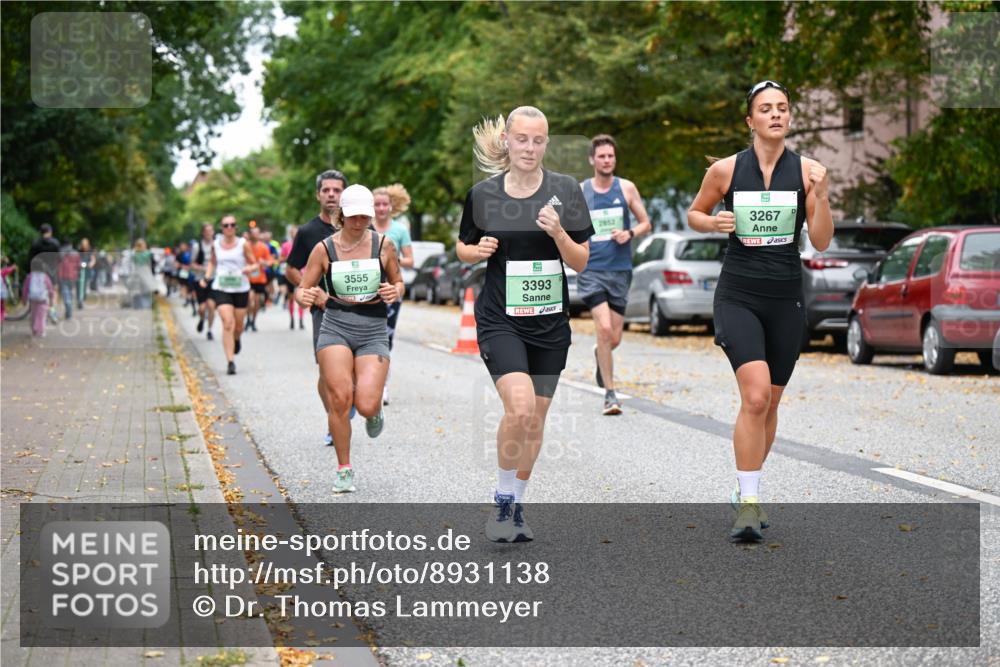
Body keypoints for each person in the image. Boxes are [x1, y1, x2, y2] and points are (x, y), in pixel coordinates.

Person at [687, 80, 833, 541]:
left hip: (786, 297)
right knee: (753, 397)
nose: (776, 115)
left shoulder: (807, 172)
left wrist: (823, 195)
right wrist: (713, 221)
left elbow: (823, 240)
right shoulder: (727, 170)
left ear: (789, 118)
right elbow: (695, 213)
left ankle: (746, 488)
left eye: (783, 108)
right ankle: (748, 504)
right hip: (739, 295)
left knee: (769, 402)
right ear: (750, 120)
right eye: (766, 109)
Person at [456, 106, 593, 542]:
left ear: (546, 144)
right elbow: (462, 247)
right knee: (520, 408)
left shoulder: (565, 190)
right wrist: (476, 253)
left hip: (550, 323)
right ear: (507, 143)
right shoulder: (483, 195)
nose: (529, 148)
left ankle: (517, 503)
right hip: (501, 319)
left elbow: (581, 262)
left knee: (535, 420)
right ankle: (500, 500)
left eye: (538, 140)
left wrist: (559, 234)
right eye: (522, 139)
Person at [295, 184, 405, 494]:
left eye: (365, 217)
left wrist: (394, 291)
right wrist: (309, 296)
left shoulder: (383, 245)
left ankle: (374, 413)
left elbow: (399, 283)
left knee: (367, 404)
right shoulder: (324, 249)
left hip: (372, 328)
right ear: (341, 215)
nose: (359, 223)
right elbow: (302, 289)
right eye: (354, 217)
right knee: (340, 399)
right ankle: (344, 468)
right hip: (335, 326)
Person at [578, 134, 652, 415]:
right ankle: (610, 395)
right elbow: (570, 225)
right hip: (592, 269)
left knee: (614, 338)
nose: (607, 160)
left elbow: (646, 222)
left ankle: (601, 353)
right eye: (602, 156)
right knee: (605, 329)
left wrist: (629, 233)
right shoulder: (582, 190)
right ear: (592, 160)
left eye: (611, 156)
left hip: (620, 270)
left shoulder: (627, 188)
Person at [286, 170, 349, 446]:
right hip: (323, 312)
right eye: (326, 190)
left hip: (359, 310)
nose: (332, 195)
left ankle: (354, 405)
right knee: (326, 371)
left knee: (354, 370)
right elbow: (290, 269)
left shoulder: (358, 225)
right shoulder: (308, 232)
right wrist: (311, 289)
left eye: (337, 190)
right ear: (318, 195)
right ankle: (334, 419)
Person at [372, 184, 415, 405]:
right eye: (377, 204)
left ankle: (382, 385)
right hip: (367, 291)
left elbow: (410, 260)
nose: (381, 208)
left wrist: (390, 261)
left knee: (385, 339)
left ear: (391, 206)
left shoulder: (399, 230)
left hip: (391, 292)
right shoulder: (364, 226)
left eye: (384, 204)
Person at [199, 215, 258, 375]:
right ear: (222, 228)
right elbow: (212, 262)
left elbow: (254, 263)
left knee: (238, 326)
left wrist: (249, 269)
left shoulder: (243, 244)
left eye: (232, 225)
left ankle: (237, 338)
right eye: (226, 225)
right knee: (227, 323)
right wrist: (206, 277)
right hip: (222, 287)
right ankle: (230, 361)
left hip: (241, 287)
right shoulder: (216, 244)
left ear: (236, 227)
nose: (229, 227)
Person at [192, 223, 218, 340]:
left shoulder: (218, 245)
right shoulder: (197, 246)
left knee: (211, 306)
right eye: (206, 231)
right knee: (202, 308)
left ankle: (210, 330)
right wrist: (203, 268)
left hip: (214, 279)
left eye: (210, 231)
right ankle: (202, 319)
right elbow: (192, 264)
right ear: (203, 233)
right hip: (200, 279)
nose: (209, 233)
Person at [246, 227, 273, 332]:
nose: (255, 235)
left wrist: (264, 263)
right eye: (253, 233)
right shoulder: (246, 246)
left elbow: (270, 261)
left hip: (260, 278)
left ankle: (253, 321)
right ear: (250, 234)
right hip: (248, 278)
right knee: (250, 299)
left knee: (257, 302)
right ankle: (248, 318)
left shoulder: (263, 247)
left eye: (257, 233)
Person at [280, 228, 305, 330]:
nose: (294, 235)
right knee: (291, 298)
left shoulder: (303, 245)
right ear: (290, 235)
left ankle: (301, 320)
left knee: (301, 297)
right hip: (290, 274)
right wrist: (289, 258)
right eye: (293, 234)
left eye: (296, 234)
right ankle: (292, 319)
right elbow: (281, 259)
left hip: (301, 274)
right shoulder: (286, 245)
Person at [24, 265, 55, 336]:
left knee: (33, 314)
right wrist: (51, 298)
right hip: (43, 299)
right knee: (42, 316)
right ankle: (41, 331)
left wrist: (24, 299)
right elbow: (50, 288)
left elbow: (25, 289)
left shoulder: (30, 276)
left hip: (33, 299)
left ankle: (34, 329)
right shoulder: (45, 277)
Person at [57, 241, 81, 320]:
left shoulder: (61, 253)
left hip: (63, 276)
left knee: (65, 293)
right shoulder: (75, 253)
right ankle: (68, 313)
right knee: (70, 293)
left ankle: (68, 311)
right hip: (73, 276)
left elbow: (58, 265)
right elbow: (78, 265)